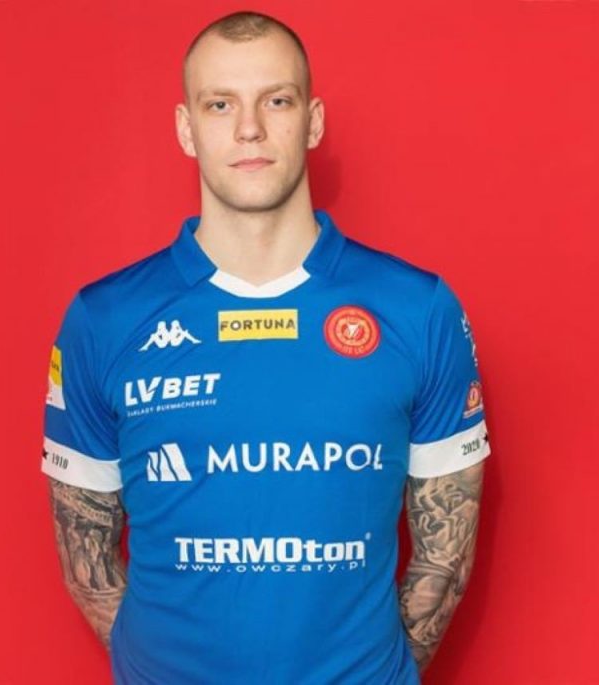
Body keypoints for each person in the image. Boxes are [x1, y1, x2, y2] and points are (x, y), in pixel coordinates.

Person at [42, 10, 491, 684]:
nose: (248, 127)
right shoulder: (103, 320)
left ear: (312, 121)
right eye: (220, 104)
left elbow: (445, 557)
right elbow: (87, 559)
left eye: (276, 101)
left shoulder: (417, 309)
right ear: (186, 129)